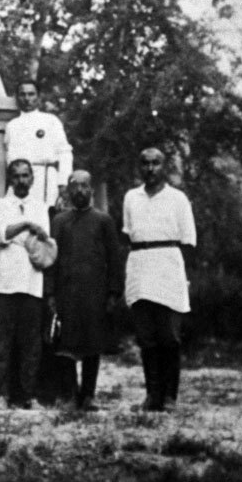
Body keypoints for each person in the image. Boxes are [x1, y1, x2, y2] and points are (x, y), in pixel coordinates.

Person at [122, 147, 196, 412]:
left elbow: (188, 242)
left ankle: (169, 397)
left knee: (169, 337)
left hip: (168, 269)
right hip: (140, 268)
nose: (150, 168)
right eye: (145, 163)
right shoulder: (131, 197)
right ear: (139, 167)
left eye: (156, 163)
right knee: (146, 337)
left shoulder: (178, 199)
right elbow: (128, 234)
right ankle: (152, 395)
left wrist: (181, 277)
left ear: (164, 167)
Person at [47, 170, 122, 412]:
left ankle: (88, 395)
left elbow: (114, 259)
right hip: (66, 292)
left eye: (84, 186)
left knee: (92, 344)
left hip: (94, 293)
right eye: (75, 186)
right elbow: (51, 258)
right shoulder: (59, 221)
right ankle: (71, 394)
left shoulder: (103, 221)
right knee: (66, 344)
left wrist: (113, 292)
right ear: (68, 191)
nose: (80, 191)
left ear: (91, 190)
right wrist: (50, 293)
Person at [0, 159, 57, 410]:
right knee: (2, 341)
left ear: (32, 178)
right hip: (3, 281)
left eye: (25, 175)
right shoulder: (0, 205)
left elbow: (43, 240)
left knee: (30, 342)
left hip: (31, 281)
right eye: (16, 176)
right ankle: (2, 395)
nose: (21, 181)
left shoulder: (40, 207)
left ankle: (28, 395)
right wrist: (26, 225)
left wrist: (25, 232)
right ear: (10, 179)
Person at [3, 79, 73, 213]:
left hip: (45, 181)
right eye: (22, 94)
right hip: (20, 182)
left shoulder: (50, 121)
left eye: (31, 94)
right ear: (17, 97)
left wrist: (63, 184)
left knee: (46, 215)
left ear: (38, 97)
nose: (27, 99)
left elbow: (64, 153)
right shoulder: (11, 126)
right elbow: (7, 158)